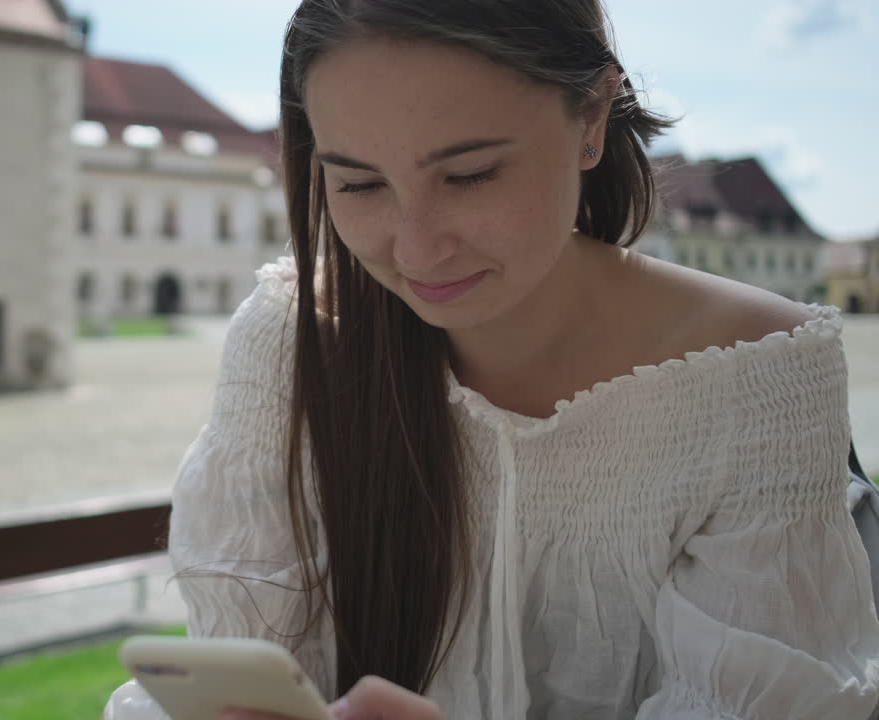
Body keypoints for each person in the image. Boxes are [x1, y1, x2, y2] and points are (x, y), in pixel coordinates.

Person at [106, 1, 879, 718]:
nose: (416, 249)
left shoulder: (758, 378)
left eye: (470, 174)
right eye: (359, 184)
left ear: (592, 114)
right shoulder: (295, 338)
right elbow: (243, 659)